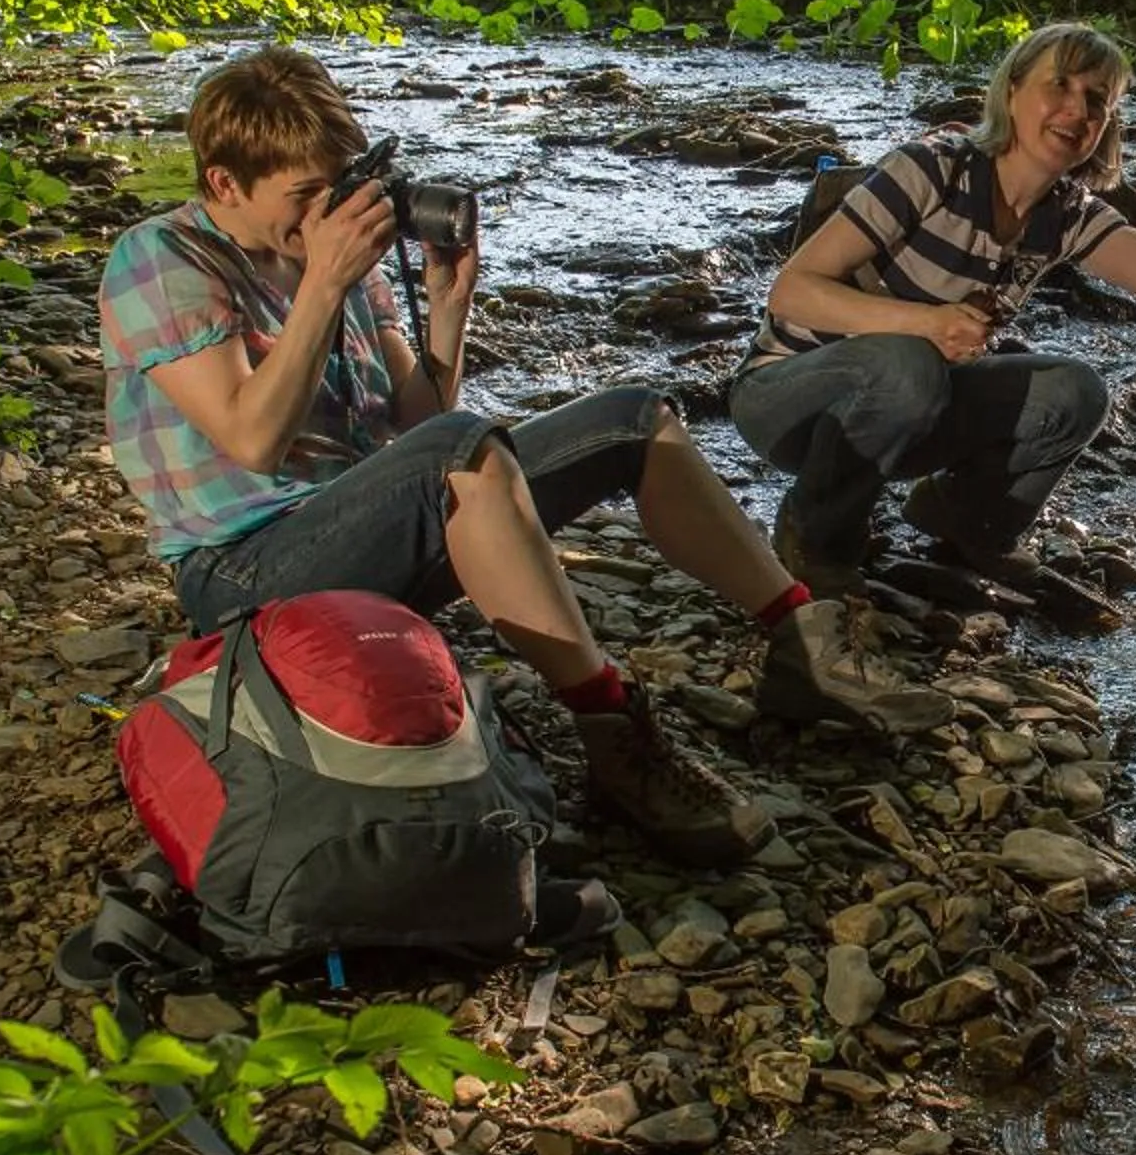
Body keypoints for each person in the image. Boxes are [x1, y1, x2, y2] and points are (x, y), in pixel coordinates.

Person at [97, 46, 952, 870]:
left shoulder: (338, 265)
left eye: (340, 188)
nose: (328, 214)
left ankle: (804, 645)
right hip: (245, 571)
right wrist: (324, 283)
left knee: (636, 420)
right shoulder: (162, 259)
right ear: (223, 183)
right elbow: (252, 437)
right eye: (306, 194)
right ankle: (613, 730)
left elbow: (420, 419)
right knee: (461, 450)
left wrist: (448, 306)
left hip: (364, 529)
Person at [733, 21, 1136, 626]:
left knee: (1074, 393)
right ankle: (815, 536)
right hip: (786, 399)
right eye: (1059, 86)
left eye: (1096, 101)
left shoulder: (1067, 215)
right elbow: (790, 291)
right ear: (1011, 92)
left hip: (906, 410)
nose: (1075, 110)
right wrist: (926, 322)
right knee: (910, 362)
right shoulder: (931, 168)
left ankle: (963, 525)